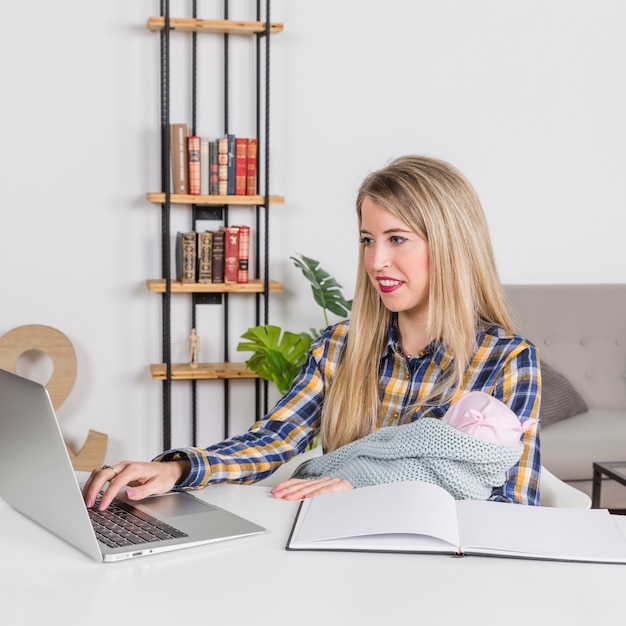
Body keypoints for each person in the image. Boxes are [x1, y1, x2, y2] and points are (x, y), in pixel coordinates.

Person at [83, 155, 541, 511]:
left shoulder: (507, 361)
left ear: (450, 245)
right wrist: (178, 468)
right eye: (367, 240)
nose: (376, 261)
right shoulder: (341, 346)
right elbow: (276, 439)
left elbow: (513, 504)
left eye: (396, 238)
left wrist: (373, 488)